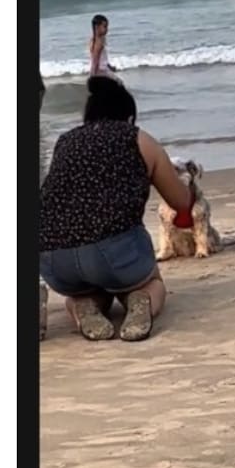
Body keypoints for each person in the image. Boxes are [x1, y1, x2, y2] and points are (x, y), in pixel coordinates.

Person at [39, 77, 194, 341]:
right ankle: (141, 299)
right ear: (129, 116)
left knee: (82, 291)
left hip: (53, 257)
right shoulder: (140, 140)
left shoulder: (65, 141)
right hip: (114, 253)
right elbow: (180, 201)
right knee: (151, 283)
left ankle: (82, 307)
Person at [88, 14, 120, 81]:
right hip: (101, 72)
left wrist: (109, 66)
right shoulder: (99, 42)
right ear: (97, 27)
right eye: (105, 26)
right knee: (119, 83)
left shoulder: (93, 40)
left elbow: (102, 59)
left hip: (102, 70)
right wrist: (93, 76)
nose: (107, 29)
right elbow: (95, 60)